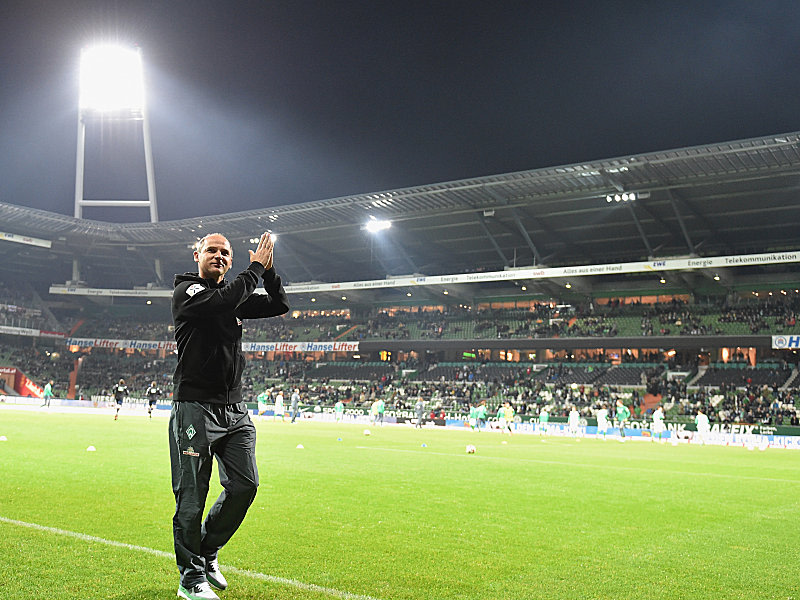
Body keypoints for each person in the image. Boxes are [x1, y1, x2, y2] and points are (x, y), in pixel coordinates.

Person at [169, 231, 288, 600]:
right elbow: (223, 300)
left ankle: (206, 553)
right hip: (195, 409)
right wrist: (254, 268)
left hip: (234, 410)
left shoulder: (232, 297)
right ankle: (190, 581)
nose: (219, 256)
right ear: (196, 255)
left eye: (225, 253)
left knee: (245, 486)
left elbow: (279, 304)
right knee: (192, 495)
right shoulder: (188, 292)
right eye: (212, 250)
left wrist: (267, 272)